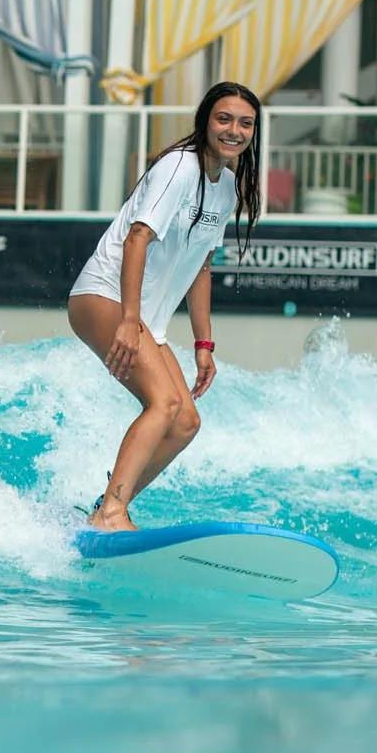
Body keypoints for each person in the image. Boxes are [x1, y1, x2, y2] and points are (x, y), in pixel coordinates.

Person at [67, 81, 263, 532]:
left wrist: (203, 343)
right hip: (104, 296)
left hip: (145, 318)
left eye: (245, 123)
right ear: (205, 121)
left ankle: (105, 507)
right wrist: (129, 321)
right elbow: (138, 238)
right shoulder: (179, 167)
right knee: (163, 403)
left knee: (185, 422)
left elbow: (200, 269)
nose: (234, 130)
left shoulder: (227, 188)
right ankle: (113, 512)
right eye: (224, 119)